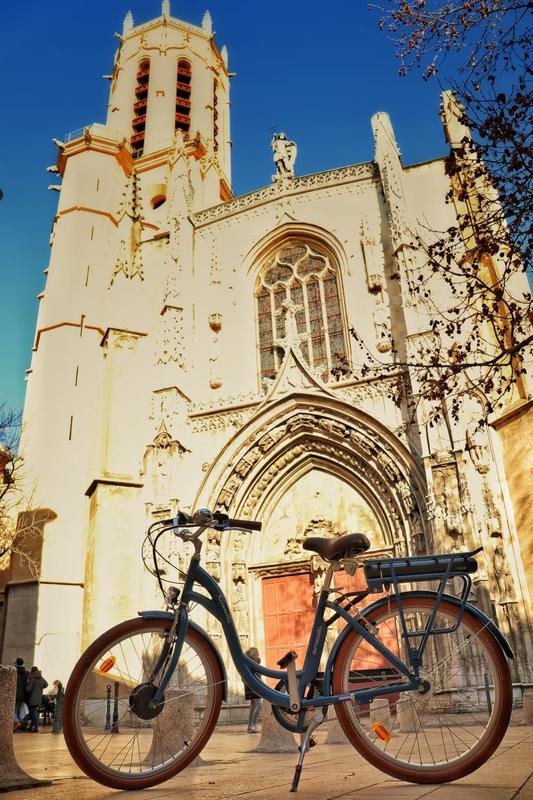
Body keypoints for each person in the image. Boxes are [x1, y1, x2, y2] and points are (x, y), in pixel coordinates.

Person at [244, 647, 262, 733]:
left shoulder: (255, 662)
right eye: (257, 653)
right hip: (252, 687)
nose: (258, 654)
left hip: (254, 686)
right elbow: (244, 676)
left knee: (254, 706)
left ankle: (250, 726)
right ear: (253, 654)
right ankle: (252, 725)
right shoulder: (249, 664)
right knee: (259, 705)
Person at [25, 666, 48, 733]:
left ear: (32, 672)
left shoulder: (33, 678)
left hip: (32, 698)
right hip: (39, 698)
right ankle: (32, 727)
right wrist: (40, 688)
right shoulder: (41, 678)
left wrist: (27, 685)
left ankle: (35, 727)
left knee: (33, 713)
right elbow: (46, 685)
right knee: (34, 712)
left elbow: (28, 689)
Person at [13, 657, 28, 732]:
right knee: (16, 711)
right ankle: (16, 725)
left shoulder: (14, 671)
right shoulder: (25, 673)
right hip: (22, 695)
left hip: (15, 694)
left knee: (12, 711)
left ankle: (17, 722)